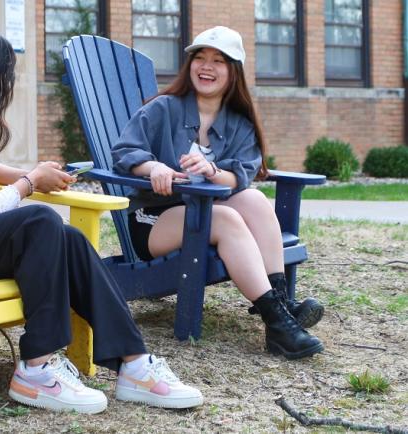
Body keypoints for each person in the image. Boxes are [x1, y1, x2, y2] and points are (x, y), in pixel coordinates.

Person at [0, 26, 203, 414]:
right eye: (6, 73)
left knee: (67, 238)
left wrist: (29, 173)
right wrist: (29, 183)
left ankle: (134, 362)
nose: (8, 82)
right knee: (39, 222)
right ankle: (36, 367)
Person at [112, 26, 325, 360]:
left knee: (253, 198)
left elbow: (238, 178)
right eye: (200, 58)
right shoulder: (164, 109)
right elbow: (124, 151)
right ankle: (280, 319)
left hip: (203, 216)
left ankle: (280, 309)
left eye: (218, 61)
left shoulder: (238, 123)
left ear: (232, 72)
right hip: (154, 221)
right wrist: (154, 168)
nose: (206, 66)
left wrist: (212, 170)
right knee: (223, 218)